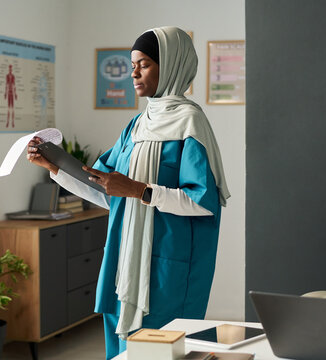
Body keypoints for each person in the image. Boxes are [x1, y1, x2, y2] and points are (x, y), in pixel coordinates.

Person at [27, 26, 230, 359]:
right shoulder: (137, 125)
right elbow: (106, 189)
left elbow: (201, 200)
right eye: (132, 63)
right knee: (124, 350)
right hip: (126, 259)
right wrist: (53, 166)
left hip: (168, 265)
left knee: (162, 349)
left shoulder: (190, 123)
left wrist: (138, 190)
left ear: (172, 66)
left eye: (145, 63)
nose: (133, 72)